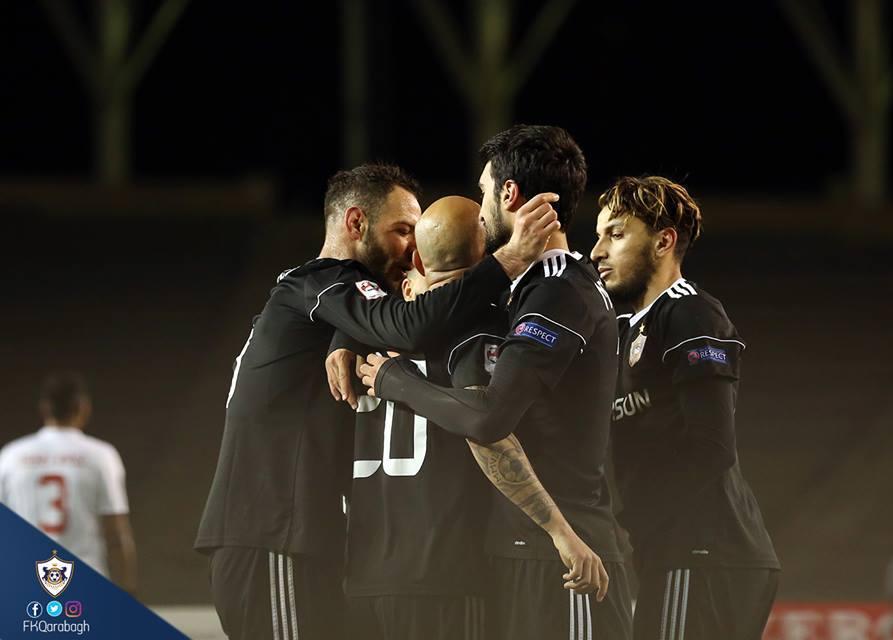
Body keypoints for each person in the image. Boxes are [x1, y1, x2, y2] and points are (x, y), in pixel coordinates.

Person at [195, 163, 559, 640]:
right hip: (272, 535)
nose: (413, 247)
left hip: (302, 539)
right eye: (402, 230)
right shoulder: (323, 279)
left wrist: (345, 337)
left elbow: (388, 316)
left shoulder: (324, 300)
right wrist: (507, 260)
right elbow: (408, 324)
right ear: (355, 223)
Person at [360, 126, 633, 640]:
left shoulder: (559, 291)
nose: (480, 209)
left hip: (569, 556)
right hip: (526, 550)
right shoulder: (525, 288)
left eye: (484, 191)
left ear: (509, 193)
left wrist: (394, 380)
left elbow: (490, 417)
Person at [590, 176, 780, 639]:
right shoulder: (624, 328)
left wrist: (645, 521)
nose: (597, 251)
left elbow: (712, 446)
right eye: (598, 235)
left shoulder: (689, 312)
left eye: (616, 234)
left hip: (702, 550)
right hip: (678, 551)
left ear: (663, 242)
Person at [0, 373, 137, 593]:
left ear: (44, 408)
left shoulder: (11, 456)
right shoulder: (100, 456)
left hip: (25, 582)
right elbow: (116, 533)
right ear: (83, 407)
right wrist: (128, 590)